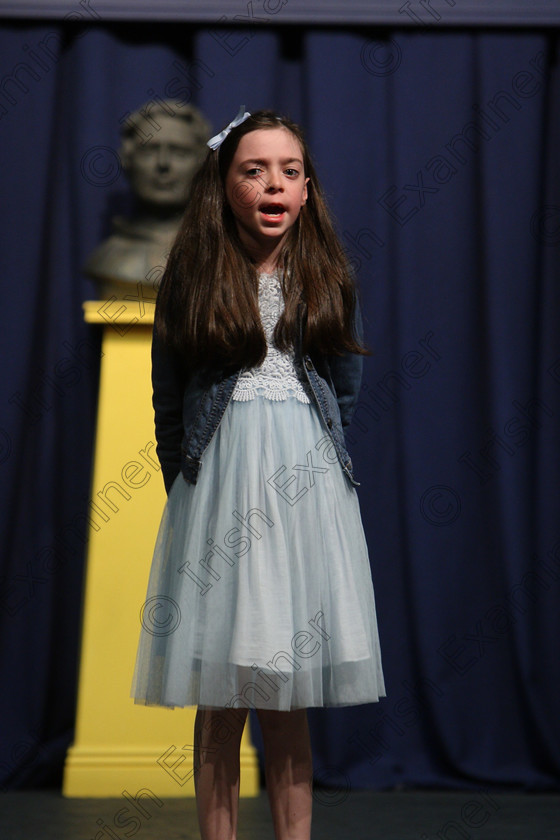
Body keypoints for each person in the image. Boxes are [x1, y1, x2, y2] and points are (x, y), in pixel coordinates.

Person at [131, 106, 385, 840]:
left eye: (290, 170)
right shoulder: (193, 278)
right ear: (225, 184)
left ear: (307, 190)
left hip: (301, 493)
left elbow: (343, 389)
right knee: (221, 694)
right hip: (220, 490)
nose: (274, 183)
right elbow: (168, 396)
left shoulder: (327, 275)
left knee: (284, 696)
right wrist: (191, 484)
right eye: (254, 169)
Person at [84, 100, 210, 299]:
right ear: (127, 160)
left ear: (202, 164)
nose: (163, 164)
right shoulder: (108, 258)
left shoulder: (216, 256)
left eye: (179, 152)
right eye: (149, 150)